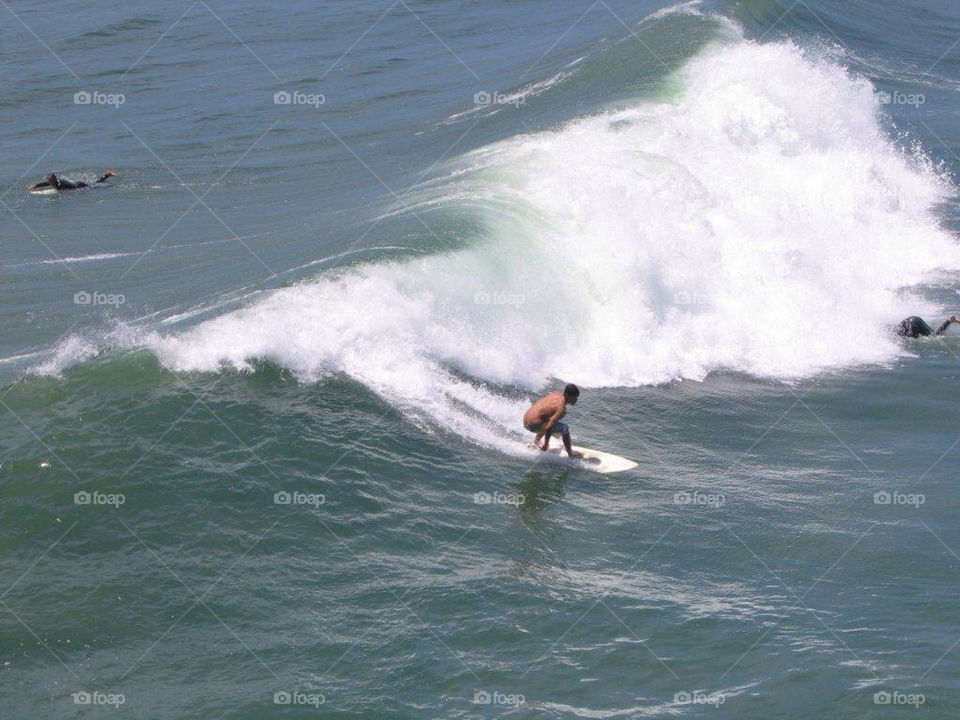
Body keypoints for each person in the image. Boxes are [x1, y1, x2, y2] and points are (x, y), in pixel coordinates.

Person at [523, 383, 583, 459]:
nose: (576, 400)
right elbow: (548, 427)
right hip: (533, 426)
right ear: (567, 395)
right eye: (574, 397)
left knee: (546, 418)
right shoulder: (561, 408)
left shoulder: (555, 394)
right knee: (565, 428)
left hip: (526, 421)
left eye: (577, 397)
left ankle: (536, 442)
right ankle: (570, 454)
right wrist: (545, 444)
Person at [28, 170, 115, 192]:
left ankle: (107, 175)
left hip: (79, 186)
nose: (49, 182)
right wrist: (36, 185)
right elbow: (46, 183)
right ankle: (107, 174)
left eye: (50, 181)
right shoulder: (55, 182)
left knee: (95, 186)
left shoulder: (58, 185)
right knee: (95, 184)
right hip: (77, 184)